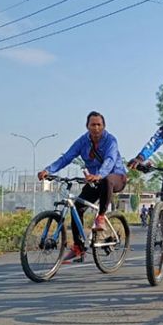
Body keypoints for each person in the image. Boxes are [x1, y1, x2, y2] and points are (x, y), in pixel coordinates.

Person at [38, 111, 127, 263]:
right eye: (93, 125)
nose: (96, 128)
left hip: (116, 177)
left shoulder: (111, 140)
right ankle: (79, 247)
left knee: (107, 180)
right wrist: (48, 170)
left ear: (104, 126)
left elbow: (110, 160)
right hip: (94, 180)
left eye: (99, 125)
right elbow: (67, 157)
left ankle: (101, 216)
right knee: (77, 207)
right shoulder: (82, 142)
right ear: (87, 126)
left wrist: (99, 175)